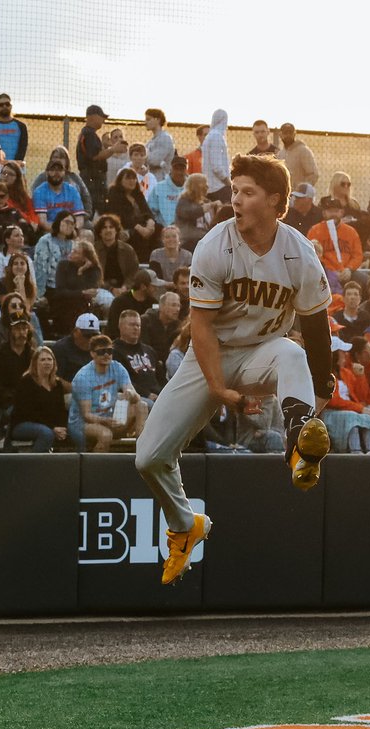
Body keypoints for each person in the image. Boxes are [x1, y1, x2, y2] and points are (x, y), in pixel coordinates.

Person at [135, 153, 335, 586]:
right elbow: (201, 329)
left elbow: (317, 331)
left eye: (247, 192)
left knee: (292, 352)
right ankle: (185, 524)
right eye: (235, 190)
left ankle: (299, 438)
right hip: (210, 355)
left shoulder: (299, 253)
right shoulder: (215, 245)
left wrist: (320, 396)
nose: (235, 199)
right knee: (148, 457)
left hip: (264, 352)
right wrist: (218, 388)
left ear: (275, 201)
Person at [68, 333, 146, 451]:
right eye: (101, 352)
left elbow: (135, 397)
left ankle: (142, 451)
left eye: (109, 351)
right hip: (82, 423)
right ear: (92, 354)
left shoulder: (117, 367)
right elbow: (86, 415)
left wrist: (131, 394)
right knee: (105, 435)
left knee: (142, 406)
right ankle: (95, 467)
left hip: (109, 415)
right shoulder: (83, 377)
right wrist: (106, 421)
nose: (106, 355)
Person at [307, 196, 368, 290]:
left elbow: (357, 255)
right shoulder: (315, 231)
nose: (333, 214)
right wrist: (331, 271)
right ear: (324, 213)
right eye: (330, 211)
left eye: (336, 211)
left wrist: (349, 269)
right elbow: (313, 256)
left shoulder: (350, 231)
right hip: (325, 273)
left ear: (341, 212)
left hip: (347, 272)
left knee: (367, 282)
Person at [75, 105, 122, 213]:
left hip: (91, 178)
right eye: (101, 116)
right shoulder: (89, 134)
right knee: (97, 209)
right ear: (93, 117)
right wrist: (114, 149)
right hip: (92, 179)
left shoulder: (88, 133)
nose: (103, 120)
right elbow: (95, 156)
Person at [106, 168, 158, 261]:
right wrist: (139, 228)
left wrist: (150, 223)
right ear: (120, 180)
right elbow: (122, 216)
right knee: (137, 235)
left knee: (159, 230)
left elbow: (147, 212)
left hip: (142, 225)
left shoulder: (138, 194)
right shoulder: (114, 193)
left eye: (134, 178)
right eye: (128, 178)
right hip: (125, 227)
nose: (132, 181)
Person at [34, 209, 77, 298]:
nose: (69, 226)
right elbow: (41, 269)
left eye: (72, 224)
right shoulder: (45, 241)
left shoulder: (73, 244)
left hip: (68, 287)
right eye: (67, 222)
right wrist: (40, 295)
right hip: (50, 287)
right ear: (58, 222)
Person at [32, 158, 85, 230]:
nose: (56, 173)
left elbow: (79, 218)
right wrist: (59, 231)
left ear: (64, 173)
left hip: (70, 228)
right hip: (49, 231)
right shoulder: (39, 192)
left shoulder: (72, 190)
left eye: (60, 170)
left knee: (88, 234)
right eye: (52, 170)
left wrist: (74, 230)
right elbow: (43, 222)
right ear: (47, 172)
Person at [174, 173, 219, 251]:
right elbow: (189, 213)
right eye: (204, 184)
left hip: (206, 240)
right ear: (196, 186)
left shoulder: (207, 201)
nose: (207, 187)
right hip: (188, 241)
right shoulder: (184, 201)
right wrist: (204, 208)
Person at [201, 109, 230, 202]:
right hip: (219, 188)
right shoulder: (217, 137)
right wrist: (229, 183)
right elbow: (217, 167)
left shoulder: (210, 136)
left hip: (211, 188)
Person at [277, 123, 318, 188]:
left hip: (300, 195)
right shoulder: (280, 154)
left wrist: (301, 190)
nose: (288, 135)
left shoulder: (303, 151)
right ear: (280, 135)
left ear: (294, 134)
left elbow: (313, 174)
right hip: (285, 194)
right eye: (285, 133)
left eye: (290, 133)